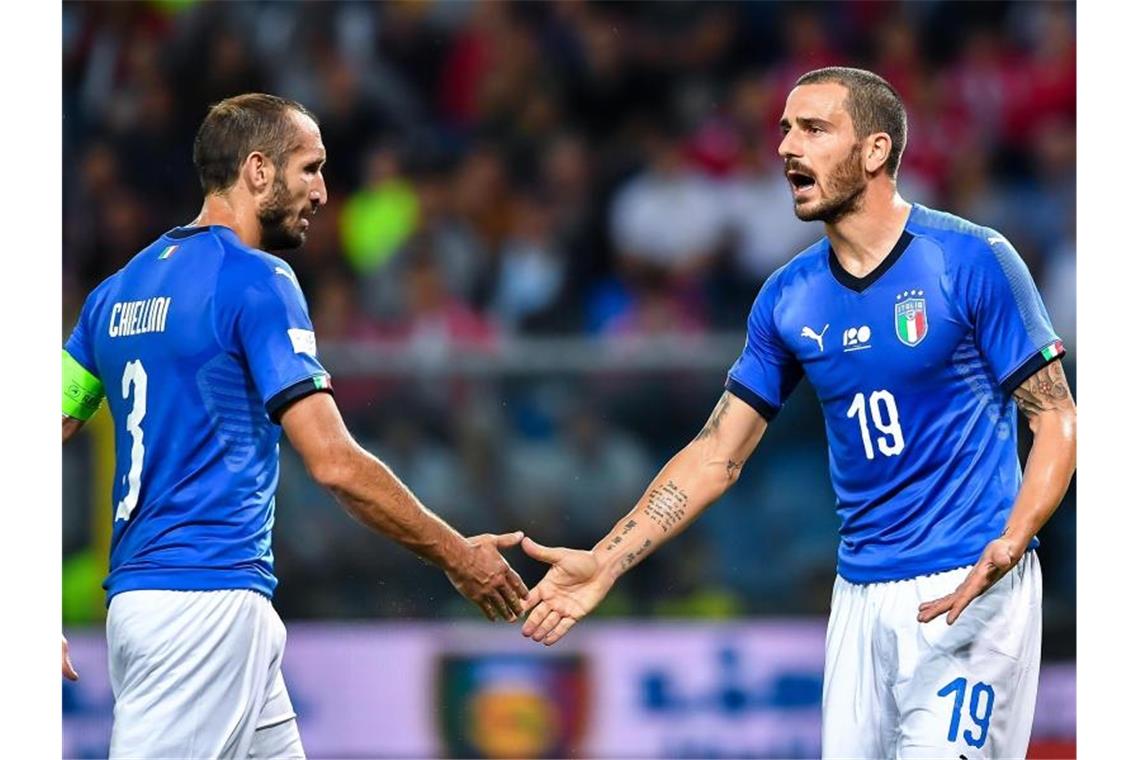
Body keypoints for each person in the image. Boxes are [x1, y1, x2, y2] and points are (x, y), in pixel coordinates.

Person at [518, 67, 1076, 760]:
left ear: (875, 151)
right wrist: (605, 562)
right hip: (860, 595)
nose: (787, 146)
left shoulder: (970, 259)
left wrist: (1015, 537)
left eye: (813, 129)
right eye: (784, 128)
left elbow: (1054, 416)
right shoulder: (788, 297)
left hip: (972, 579)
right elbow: (717, 453)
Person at [60, 93, 529, 759]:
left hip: (154, 605)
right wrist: (458, 556)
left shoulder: (114, 293)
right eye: (310, 169)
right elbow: (334, 462)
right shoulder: (256, 280)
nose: (323, 192)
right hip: (205, 606)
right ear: (258, 170)